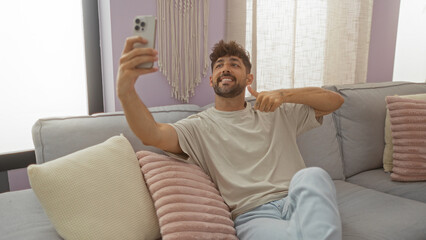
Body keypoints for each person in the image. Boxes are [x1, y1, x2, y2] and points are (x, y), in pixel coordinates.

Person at [117, 36, 345, 240]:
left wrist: (284, 95)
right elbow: (152, 134)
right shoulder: (198, 127)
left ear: (249, 78)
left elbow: (335, 101)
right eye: (219, 66)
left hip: (298, 197)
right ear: (211, 80)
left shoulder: (276, 110)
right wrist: (126, 91)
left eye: (234, 65)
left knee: (313, 175)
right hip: (254, 215)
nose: (225, 69)